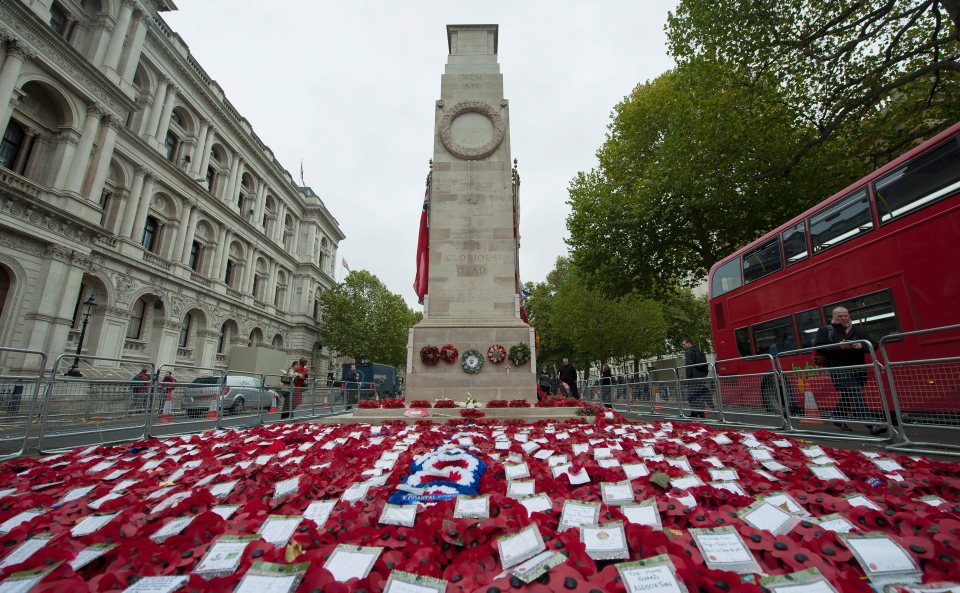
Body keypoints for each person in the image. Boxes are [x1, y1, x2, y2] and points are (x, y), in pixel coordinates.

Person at [813, 307, 886, 435]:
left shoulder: (857, 329)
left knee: (849, 393)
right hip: (838, 368)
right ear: (833, 316)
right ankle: (871, 424)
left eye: (845, 315)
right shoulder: (825, 330)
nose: (843, 318)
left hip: (858, 368)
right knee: (854, 391)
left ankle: (837, 416)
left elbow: (873, 344)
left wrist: (862, 346)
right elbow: (819, 347)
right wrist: (839, 347)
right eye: (839, 316)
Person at [682, 339, 711, 418]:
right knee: (699, 394)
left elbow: (688, 366)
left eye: (684, 344)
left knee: (691, 395)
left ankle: (696, 413)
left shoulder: (688, 352)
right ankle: (699, 413)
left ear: (688, 343)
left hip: (693, 377)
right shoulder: (698, 351)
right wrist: (704, 374)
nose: (683, 346)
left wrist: (688, 378)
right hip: (701, 377)